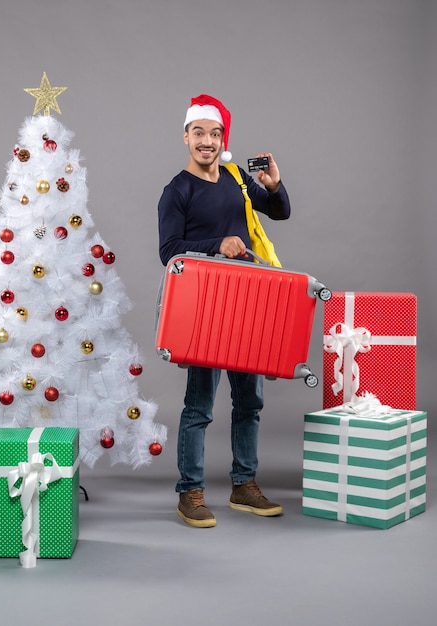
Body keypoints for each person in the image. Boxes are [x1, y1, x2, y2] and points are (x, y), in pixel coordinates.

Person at [157, 94, 291, 528]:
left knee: (249, 401)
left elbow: (280, 212)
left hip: (247, 303)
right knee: (200, 405)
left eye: (214, 134)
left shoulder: (236, 179)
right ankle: (190, 493)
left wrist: (272, 185)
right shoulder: (177, 190)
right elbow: (169, 252)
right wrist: (218, 246)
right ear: (185, 137)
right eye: (199, 133)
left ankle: (243, 486)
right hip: (203, 307)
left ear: (221, 140)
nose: (207, 142)